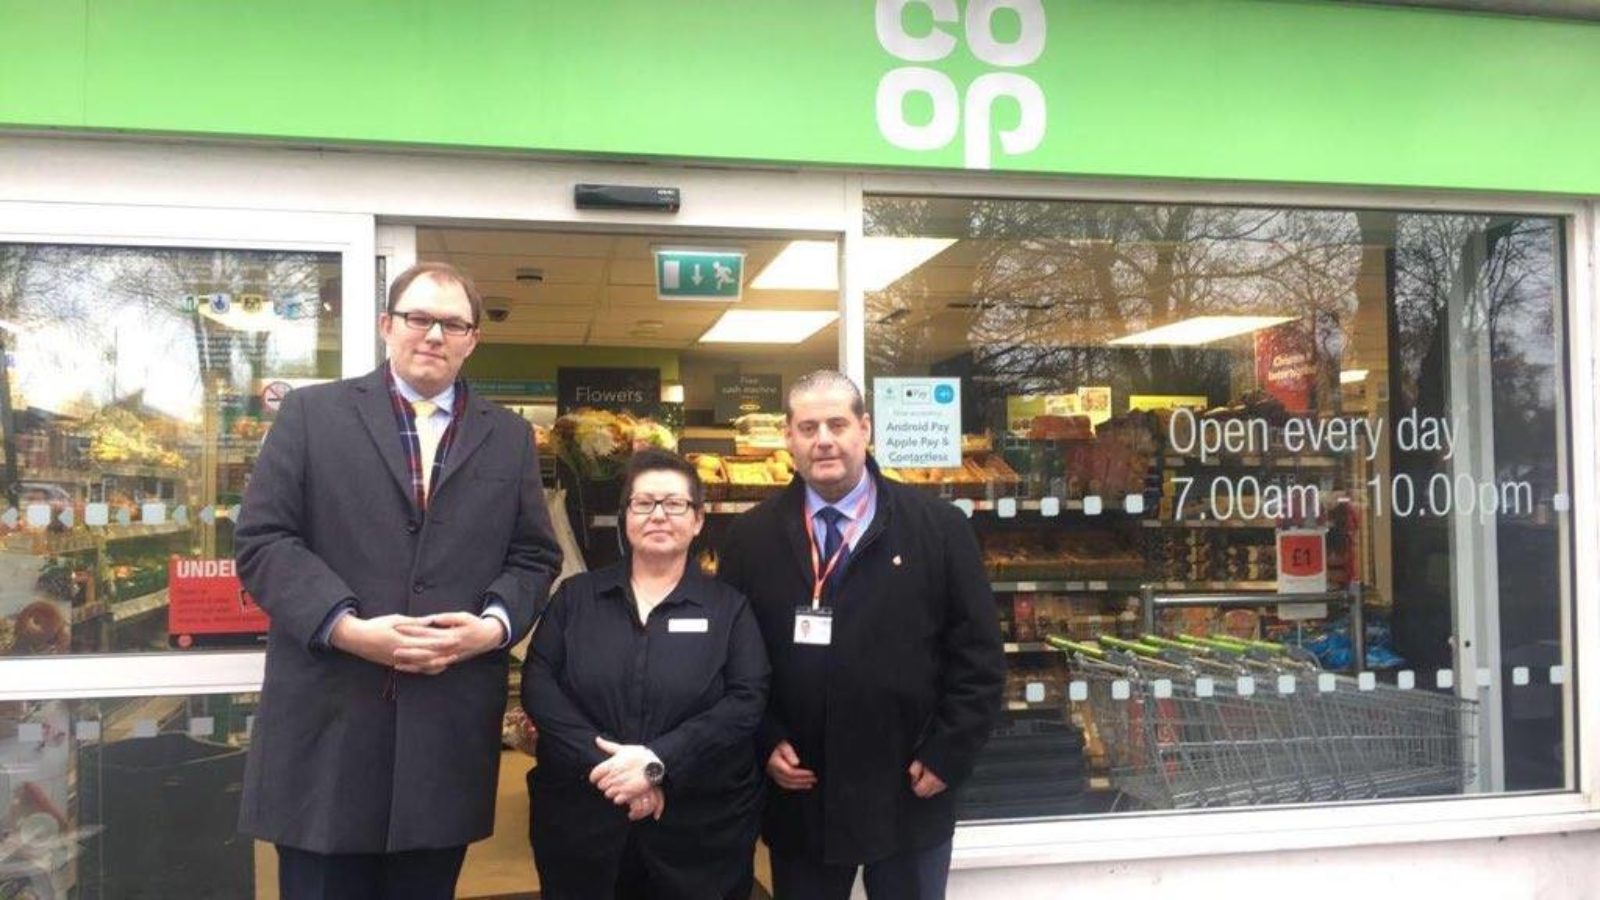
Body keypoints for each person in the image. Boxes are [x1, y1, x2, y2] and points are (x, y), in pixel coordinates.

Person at [235, 261, 563, 900]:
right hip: (329, 728)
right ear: (388, 326)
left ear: (472, 339)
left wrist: (491, 629)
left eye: (453, 323)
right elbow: (264, 540)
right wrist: (346, 627)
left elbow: (533, 556)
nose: (434, 335)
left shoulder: (510, 438)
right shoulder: (311, 414)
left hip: (444, 734)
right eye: (419, 318)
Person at [719, 370, 1005, 900]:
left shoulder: (938, 527)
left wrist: (949, 752)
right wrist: (763, 738)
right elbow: (733, 658)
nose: (823, 439)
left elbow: (979, 658)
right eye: (807, 427)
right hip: (801, 791)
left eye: (836, 423)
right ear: (788, 438)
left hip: (909, 786)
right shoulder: (750, 537)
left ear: (864, 429)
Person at [522, 448, 769, 899]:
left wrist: (659, 763)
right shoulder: (575, 598)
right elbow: (539, 683)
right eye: (644, 503)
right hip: (583, 825)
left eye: (675, 504)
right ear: (626, 517)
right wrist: (616, 770)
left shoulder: (729, 608)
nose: (659, 515)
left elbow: (746, 700)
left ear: (697, 520)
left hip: (698, 833)